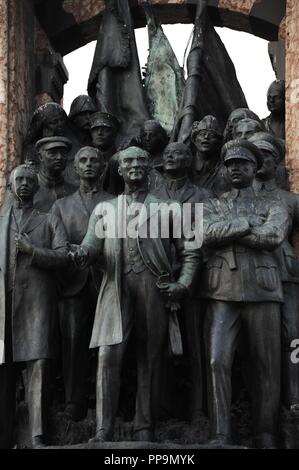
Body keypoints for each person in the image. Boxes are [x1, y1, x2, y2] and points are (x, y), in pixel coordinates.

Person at [69, 146, 200, 442]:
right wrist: (81, 254)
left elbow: (190, 251)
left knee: (150, 358)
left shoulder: (168, 208)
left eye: (141, 159)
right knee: (107, 356)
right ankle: (103, 429)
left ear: (149, 167)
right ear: (118, 169)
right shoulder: (105, 208)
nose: (135, 164)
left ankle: (145, 427)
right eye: (128, 160)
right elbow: (91, 245)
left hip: (153, 287)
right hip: (115, 287)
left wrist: (183, 284)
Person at [202, 139, 289, 448]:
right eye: (230, 164)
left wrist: (232, 231)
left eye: (242, 164)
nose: (235, 168)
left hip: (263, 290)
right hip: (223, 291)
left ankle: (265, 433)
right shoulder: (214, 203)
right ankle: (220, 433)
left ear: (255, 168)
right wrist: (246, 223)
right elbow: (206, 234)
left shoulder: (274, 205)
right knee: (216, 360)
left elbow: (273, 237)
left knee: (268, 365)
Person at [0, 164, 68, 448]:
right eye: (20, 179)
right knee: (3, 372)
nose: (25, 184)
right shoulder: (0, 221)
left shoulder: (49, 219)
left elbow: (63, 255)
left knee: (38, 365)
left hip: (38, 303)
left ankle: (37, 435)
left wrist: (33, 252)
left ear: (37, 186)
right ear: (10, 186)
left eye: (30, 180)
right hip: (3, 306)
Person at [51, 147, 111, 422]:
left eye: (94, 161)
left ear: (103, 166)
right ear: (74, 168)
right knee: (73, 342)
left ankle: (107, 401)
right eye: (83, 161)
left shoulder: (115, 202)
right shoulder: (61, 205)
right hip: (72, 282)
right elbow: (58, 245)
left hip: (106, 280)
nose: (89, 165)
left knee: (108, 345)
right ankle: (73, 401)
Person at [153, 141, 211, 419]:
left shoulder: (203, 195)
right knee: (156, 345)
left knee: (195, 345)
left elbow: (205, 237)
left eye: (177, 153)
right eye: (167, 153)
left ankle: (198, 408)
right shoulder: (151, 195)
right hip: (158, 280)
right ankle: (161, 408)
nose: (170, 156)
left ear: (189, 160)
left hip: (195, 279)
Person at [250, 132, 299, 414]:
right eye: (255, 155)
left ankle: (293, 398)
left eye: (266, 155)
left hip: (285, 273)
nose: (260, 161)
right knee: (256, 343)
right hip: (250, 275)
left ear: (275, 160)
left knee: (292, 334)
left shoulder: (289, 200)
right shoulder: (233, 198)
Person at [190, 115, 230, 197]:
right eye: (202, 134)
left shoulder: (223, 169)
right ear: (194, 139)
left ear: (218, 143)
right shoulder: (187, 164)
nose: (206, 137)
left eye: (212, 135)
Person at [34, 136, 76, 212]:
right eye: (52, 153)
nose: (59, 157)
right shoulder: (28, 188)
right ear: (40, 157)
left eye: (63, 154)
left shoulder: (74, 191)